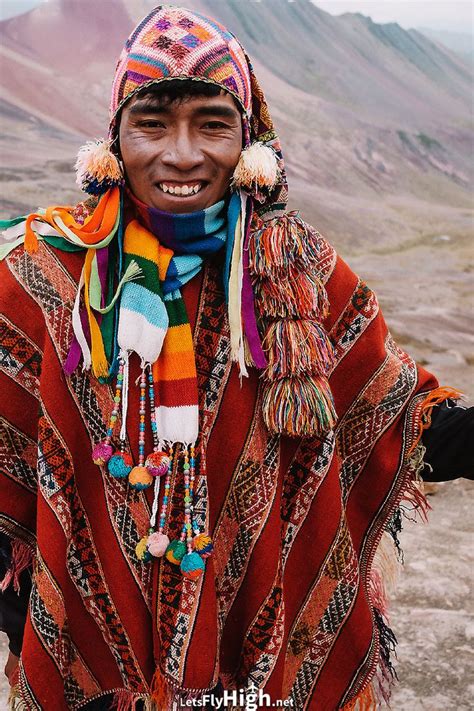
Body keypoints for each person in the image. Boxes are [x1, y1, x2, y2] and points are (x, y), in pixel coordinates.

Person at [0, 6, 472, 710]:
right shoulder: (44, 283)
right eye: (152, 123)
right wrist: (30, 627)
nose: (183, 154)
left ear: (250, 140)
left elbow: (395, 418)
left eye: (213, 124)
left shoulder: (300, 277)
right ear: (115, 139)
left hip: (265, 676)